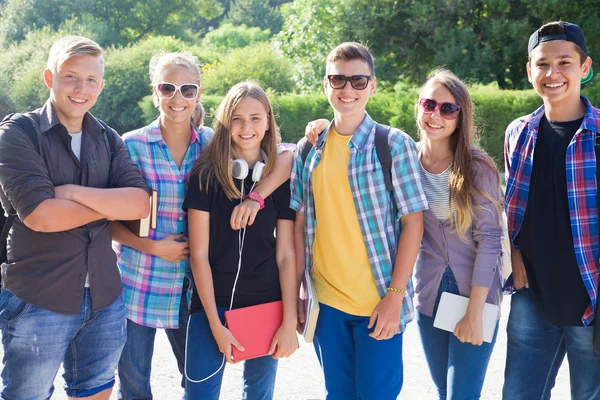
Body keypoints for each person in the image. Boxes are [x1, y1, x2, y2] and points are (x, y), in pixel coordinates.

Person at [113, 53, 295, 399]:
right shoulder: (137, 147)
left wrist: (256, 197)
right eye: (168, 88)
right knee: (136, 386)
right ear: (155, 91)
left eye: (188, 88)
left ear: (199, 93)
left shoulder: (211, 147)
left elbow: (287, 156)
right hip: (145, 282)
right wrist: (151, 246)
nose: (177, 97)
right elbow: (107, 221)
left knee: (221, 387)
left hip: (208, 292)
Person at [0, 35, 149, 400]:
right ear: (50, 78)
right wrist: (107, 206)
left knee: (95, 391)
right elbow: (41, 217)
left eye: (91, 80)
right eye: (71, 77)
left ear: (100, 84)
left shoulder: (109, 138)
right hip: (39, 297)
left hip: (105, 298)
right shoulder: (17, 133)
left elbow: (140, 205)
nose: (82, 89)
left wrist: (71, 193)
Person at [292, 42, 428, 399]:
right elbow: (298, 221)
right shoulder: (308, 149)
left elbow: (414, 223)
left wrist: (394, 297)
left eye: (358, 80)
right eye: (338, 80)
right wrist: (297, 292)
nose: (347, 89)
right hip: (327, 305)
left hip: (379, 303)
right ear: (326, 85)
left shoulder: (393, 144)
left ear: (372, 85)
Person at [503, 21, 600, 399]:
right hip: (533, 296)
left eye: (564, 63)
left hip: (590, 299)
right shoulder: (518, 132)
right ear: (530, 71)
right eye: (542, 64)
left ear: (585, 68)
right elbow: (513, 208)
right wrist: (516, 257)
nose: (553, 73)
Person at [183, 81, 298, 400]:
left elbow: (287, 256)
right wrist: (215, 326)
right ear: (225, 122)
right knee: (199, 396)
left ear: (269, 122)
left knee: (259, 396)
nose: (246, 127)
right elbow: (199, 256)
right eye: (237, 118)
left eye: (256, 118)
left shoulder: (282, 177)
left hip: (265, 303)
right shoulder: (204, 175)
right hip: (210, 306)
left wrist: (289, 321)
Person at [412, 69, 503, 399]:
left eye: (448, 109)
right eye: (429, 104)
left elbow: (490, 242)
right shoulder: (405, 158)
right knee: (443, 392)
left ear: (460, 116)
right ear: (419, 106)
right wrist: (320, 128)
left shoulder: (477, 166)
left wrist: (474, 313)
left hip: (474, 296)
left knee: (461, 395)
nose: (436, 115)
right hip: (428, 294)